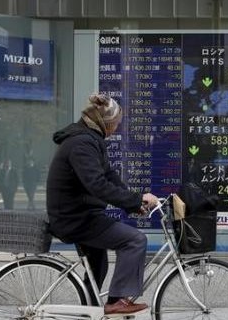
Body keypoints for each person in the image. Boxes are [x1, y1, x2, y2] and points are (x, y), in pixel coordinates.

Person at [46, 93, 159, 316]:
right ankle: (118, 302)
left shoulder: (90, 139)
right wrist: (136, 199)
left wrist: (133, 203)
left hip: (78, 214)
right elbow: (97, 185)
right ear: (104, 122)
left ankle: (88, 311)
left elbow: (108, 176)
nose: (116, 129)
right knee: (134, 240)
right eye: (115, 124)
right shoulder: (82, 143)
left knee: (98, 266)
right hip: (76, 218)